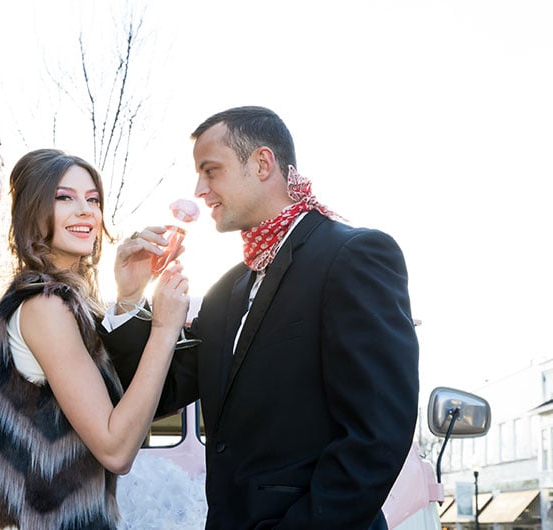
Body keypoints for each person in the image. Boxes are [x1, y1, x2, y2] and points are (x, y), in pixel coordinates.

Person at [102, 106, 420, 529]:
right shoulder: (226, 289)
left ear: (263, 163)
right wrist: (129, 298)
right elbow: (159, 392)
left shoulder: (353, 257)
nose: (200, 189)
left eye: (210, 170)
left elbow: (377, 436)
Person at [0, 149, 190, 529]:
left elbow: (121, 405)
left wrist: (130, 294)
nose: (86, 211)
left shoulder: (65, 304)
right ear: (33, 211)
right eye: (64, 197)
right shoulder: (45, 306)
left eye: (93, 199)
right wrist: (163, 329)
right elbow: (116, 449)